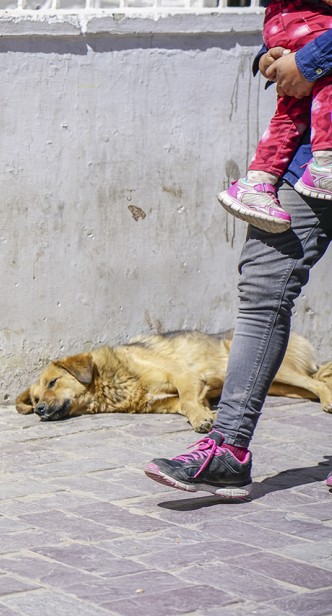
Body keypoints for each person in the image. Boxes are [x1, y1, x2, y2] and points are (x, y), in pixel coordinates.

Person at [145, 35, 332, 497]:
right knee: (263, 286)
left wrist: (310, 60)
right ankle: (228, 448)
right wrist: (276, 53)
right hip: (306, 155)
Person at [218, 0, 332, 234]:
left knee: (294, 108)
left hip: (289, 21)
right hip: (308, 22)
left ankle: (257, 182)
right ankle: (326, 163)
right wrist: (306, 62)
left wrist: (281, 57)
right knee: (323, 85)